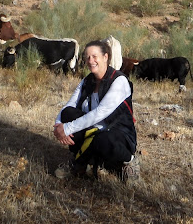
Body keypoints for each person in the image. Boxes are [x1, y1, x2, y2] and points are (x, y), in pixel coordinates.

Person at [53, 40, 140, 182]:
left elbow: (100, 113)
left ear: (105, 57)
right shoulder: (87, 81)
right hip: (94, 129)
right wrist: (58, 125)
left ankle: (129, 161)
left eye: (94, 56)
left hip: (117, 132)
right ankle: (81, 162)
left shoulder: (119, 81)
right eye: (87, 57)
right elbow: (69, 105)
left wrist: (67, 128)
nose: (90, 60)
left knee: (103, 139)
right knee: (68, 113)